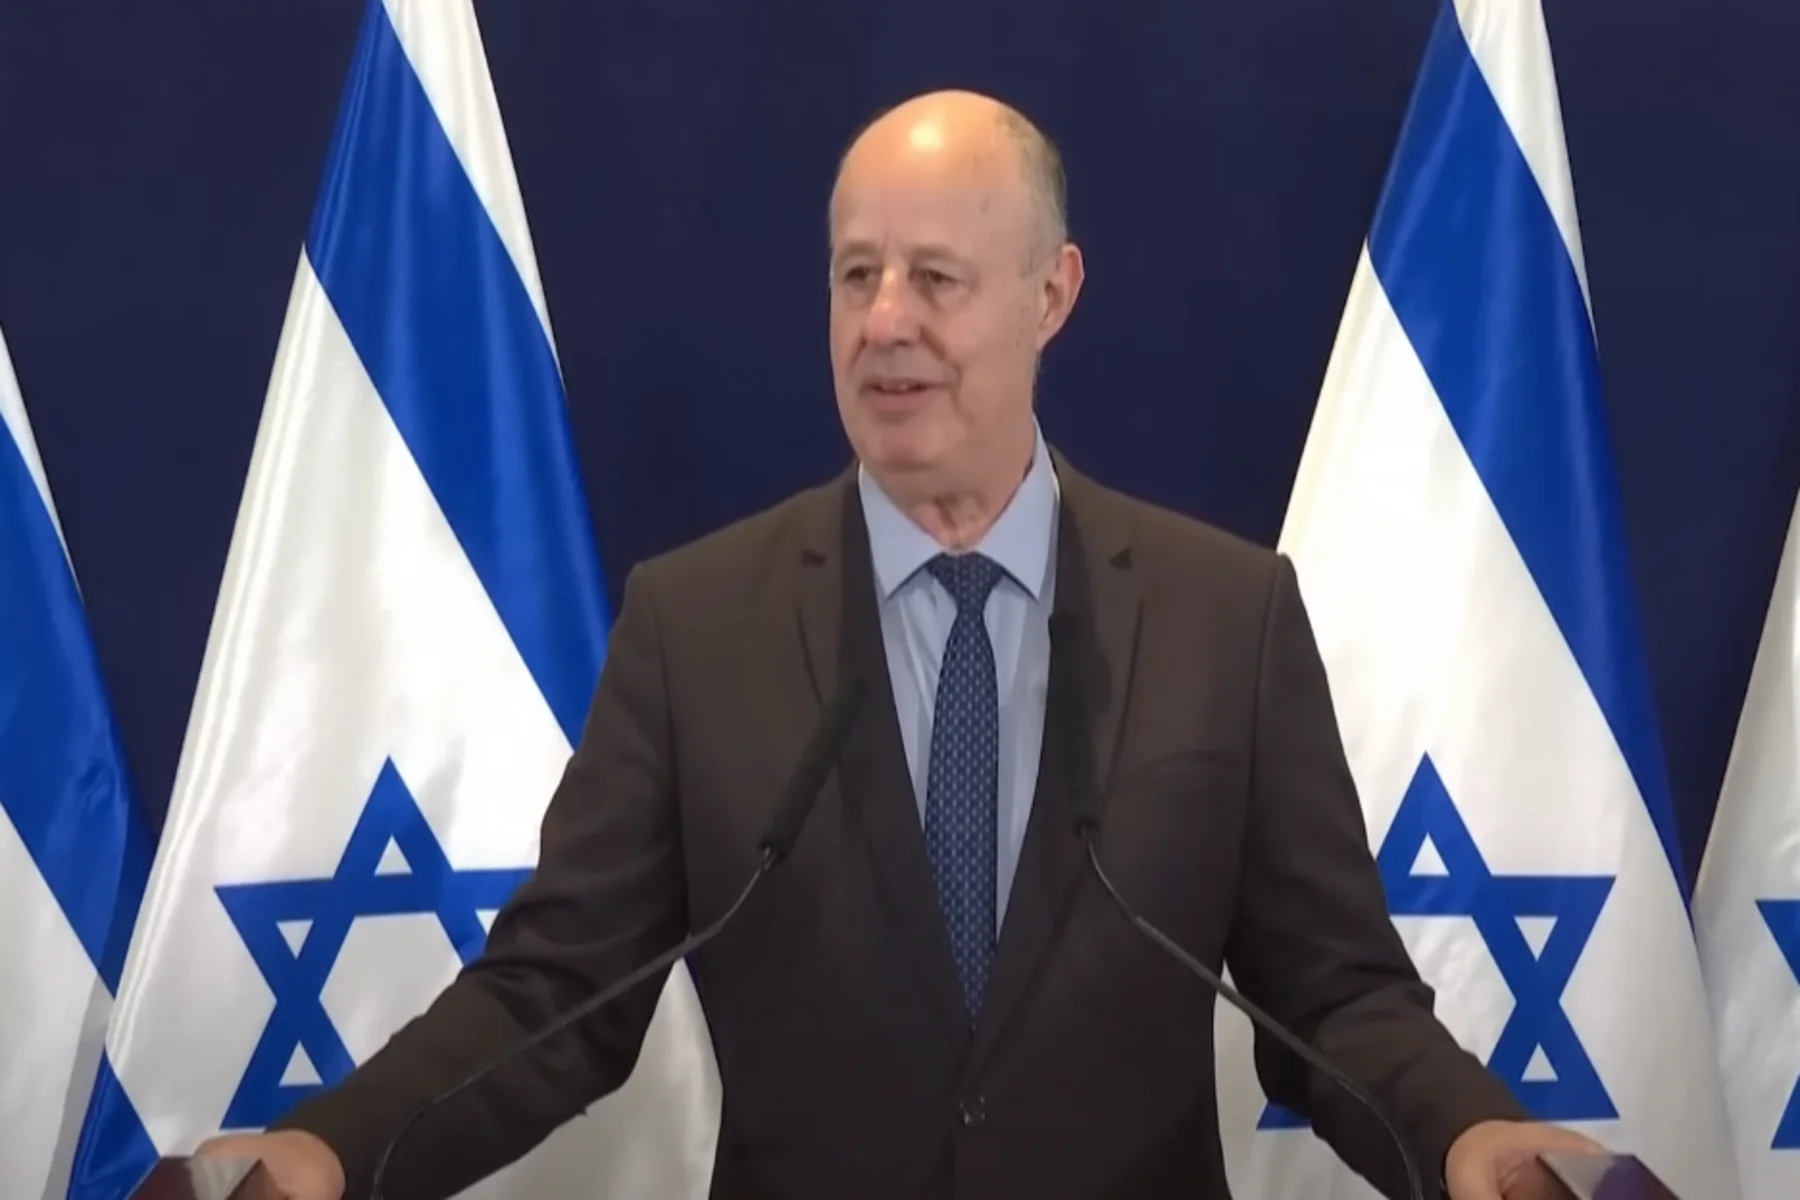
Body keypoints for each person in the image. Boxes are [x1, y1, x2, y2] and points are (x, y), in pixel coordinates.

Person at [200, 89, 1601, 1199]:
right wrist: (334, 1152)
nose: (884, 324)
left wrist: (1463, 1134)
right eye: (855, 274)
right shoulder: (697, 623)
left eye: (936, 277)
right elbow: (555, 996)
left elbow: (1336, 996)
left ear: (1051, 294)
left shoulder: (1224, 616)